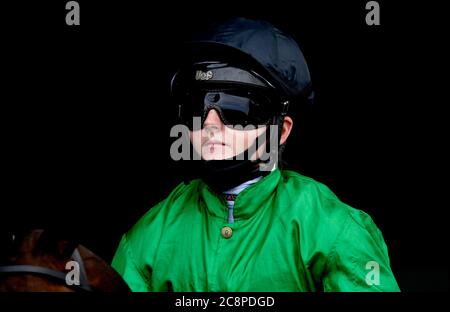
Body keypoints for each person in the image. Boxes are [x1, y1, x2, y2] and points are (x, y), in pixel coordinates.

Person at [111, 17, 400, 292]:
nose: (210, 124)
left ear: (281, 131)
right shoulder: (147, 239)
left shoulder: (332, 229)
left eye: (237, 108)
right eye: (197, 106)